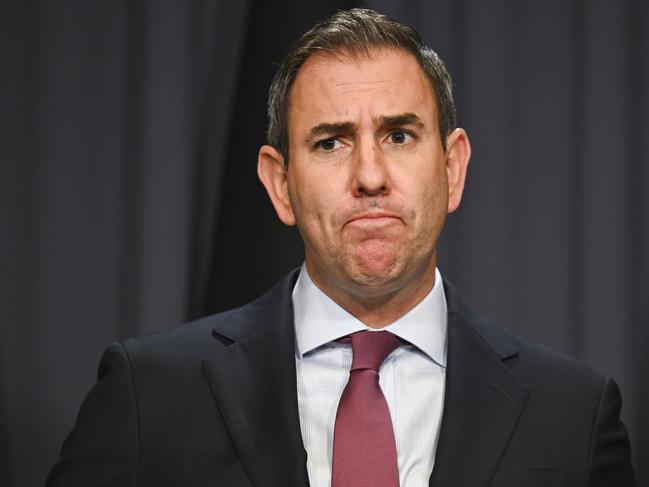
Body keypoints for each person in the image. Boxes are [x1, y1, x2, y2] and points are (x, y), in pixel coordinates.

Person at [46, 8, 635, 487]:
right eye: (331, 143)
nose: (371, 176)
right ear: (281, 184)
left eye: (399, 135)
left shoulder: (575, 413)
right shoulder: (147, 395)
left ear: (452, 169)